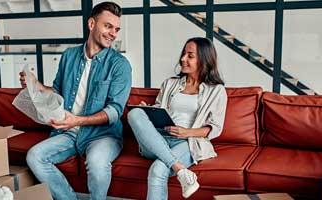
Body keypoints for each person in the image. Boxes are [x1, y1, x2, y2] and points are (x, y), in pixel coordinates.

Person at [19, 2, 131, 200]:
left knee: (97, 163)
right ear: (91, 24)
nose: (113, 33)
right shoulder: (69, 56)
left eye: (116, 29)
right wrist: (37, 85)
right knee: (34, 156)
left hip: (102, 135)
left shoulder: (120, 65)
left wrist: (75, 121)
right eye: (108, 26)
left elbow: (115, 111)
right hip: (69, 132)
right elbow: (58, 92)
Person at [127, 37, 227, 199]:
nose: (183, 59)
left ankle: (178, 168)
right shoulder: (169, 84)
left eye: (190, 55)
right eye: (183, 54)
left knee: (158, 169)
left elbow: (214, 128)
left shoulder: (216, 91)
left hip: (188, 143)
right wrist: (148, 110)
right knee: (135, 113)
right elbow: (159, 110)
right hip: (157, 139)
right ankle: (181, 170)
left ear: (204, 59)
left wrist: (186, 132)